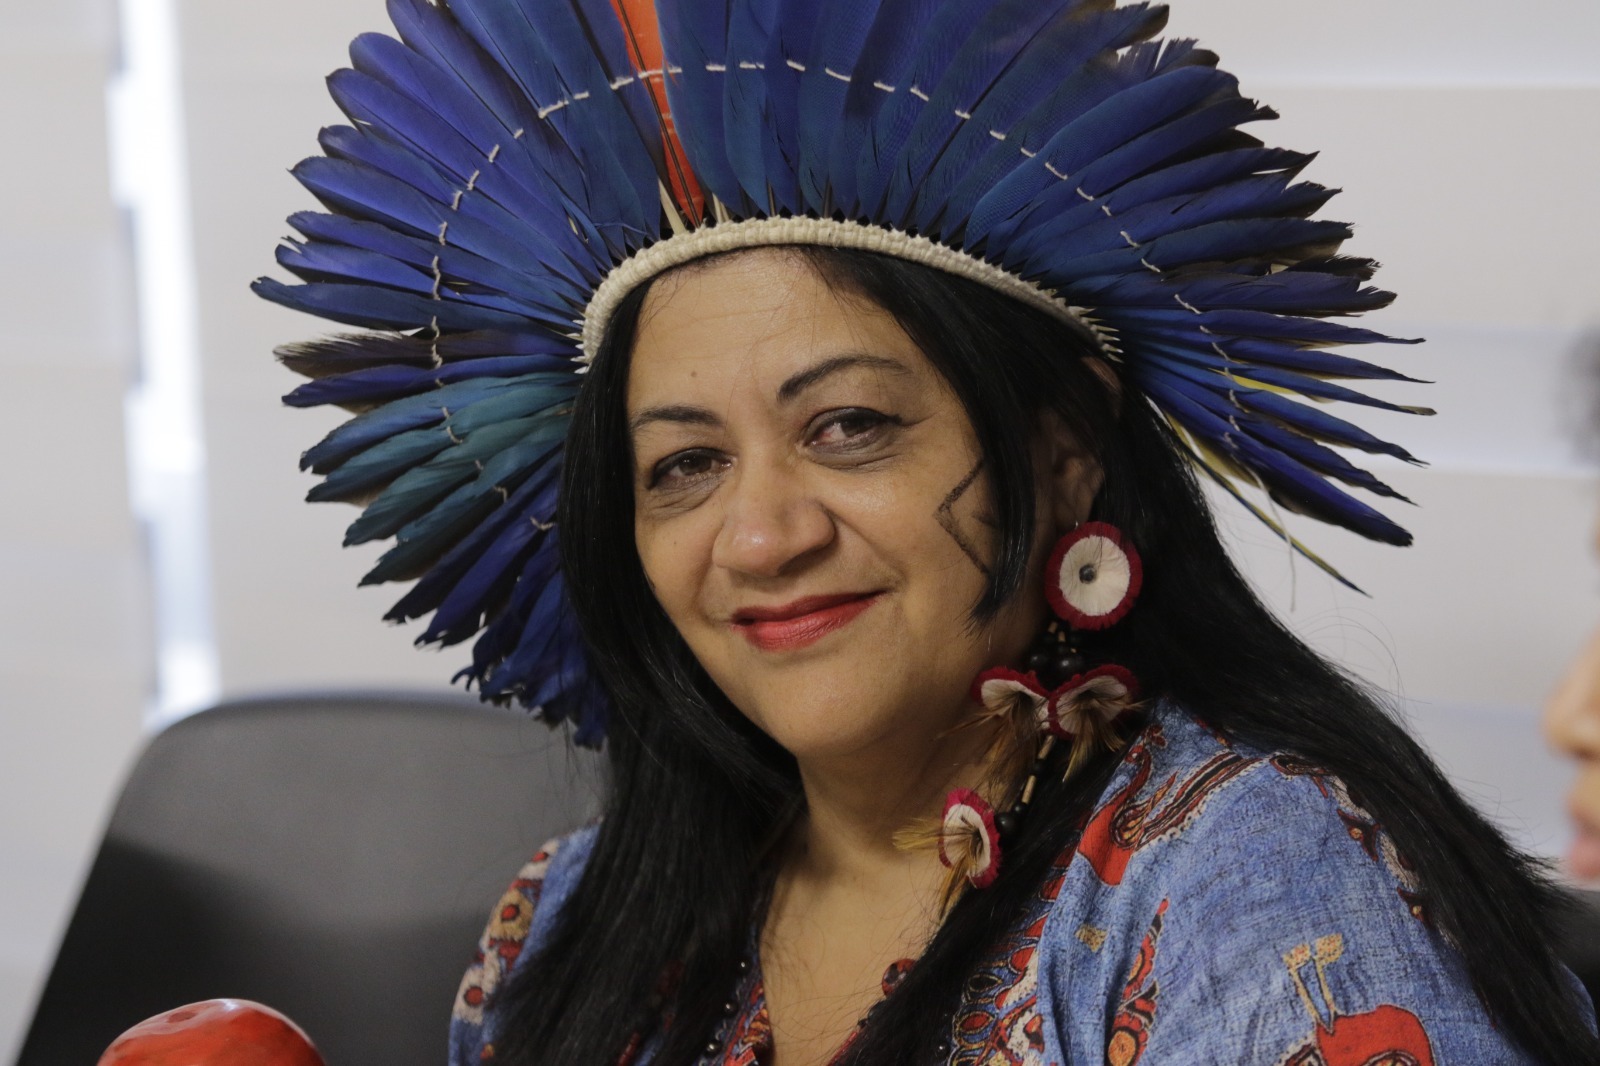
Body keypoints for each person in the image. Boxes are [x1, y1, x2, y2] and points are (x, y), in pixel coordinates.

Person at [256, 0, 1598, 1062]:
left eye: (849, 426)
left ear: (1064, 453)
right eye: (685, 465)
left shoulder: (1252, 885)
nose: (761, 536)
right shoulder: (563, 921)